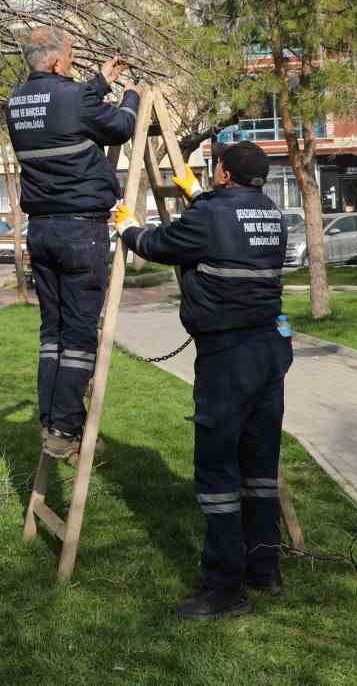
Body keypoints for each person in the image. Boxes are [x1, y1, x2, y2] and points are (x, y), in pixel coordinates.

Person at [115, 140, 290, 621]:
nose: (211, 175)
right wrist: (197, 195)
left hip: (227, 356)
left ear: (226, 177)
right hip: (269, 352)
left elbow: (156, 246)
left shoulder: (210, 215)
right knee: (259, 466)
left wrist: (127, 227)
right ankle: (264, 569)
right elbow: (226, 227)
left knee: (218, 475)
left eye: (215, 170)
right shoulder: (273, 215)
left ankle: (224, 589)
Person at [6, 28, 140, 462]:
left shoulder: (16, 101)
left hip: (41, 231)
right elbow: (119, 127)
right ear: (58, 62)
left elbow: (62, 108)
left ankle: (51, 420)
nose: (72, 62)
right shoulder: (75, 99)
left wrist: (100, 81)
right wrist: (131, 94)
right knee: (80, 336)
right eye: (71, 57)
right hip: (80, 231)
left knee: (53, 334)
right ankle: (64, 429)